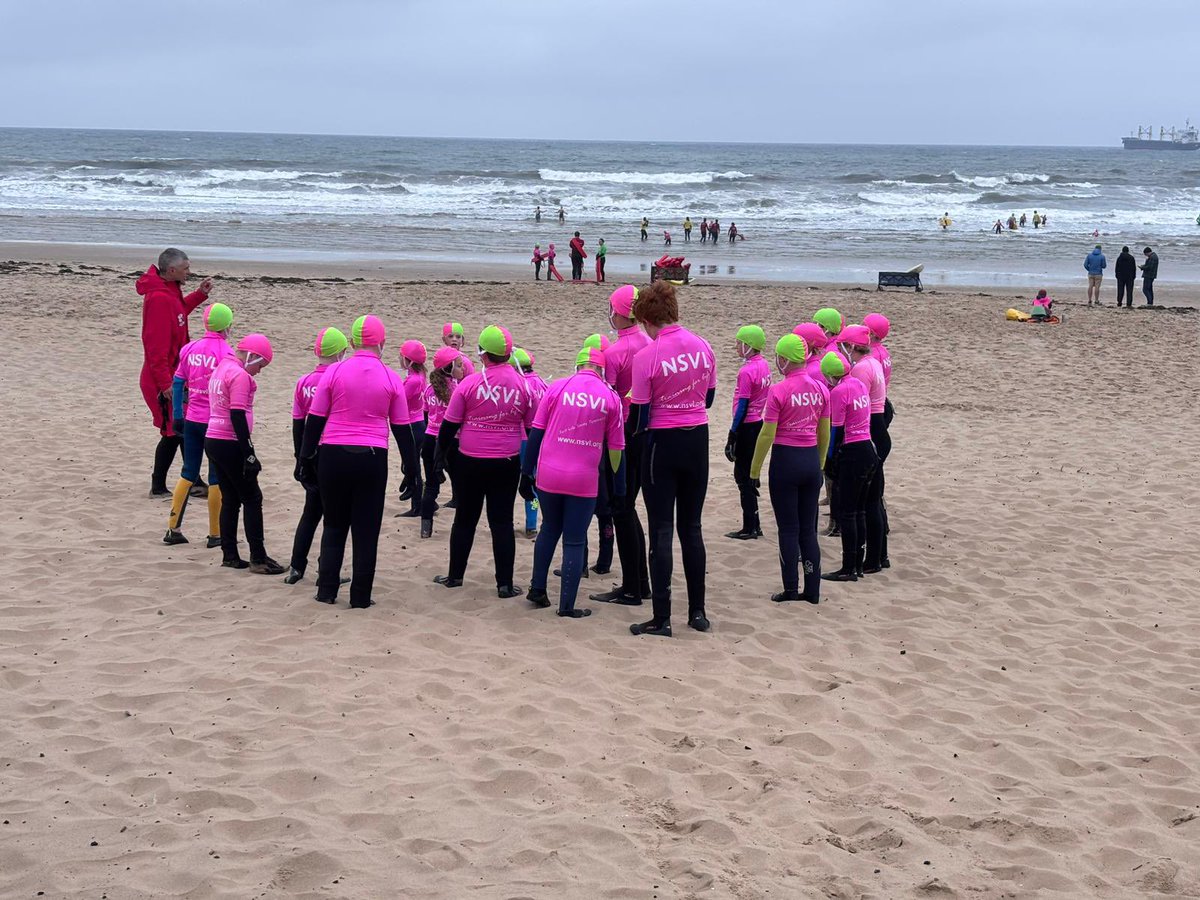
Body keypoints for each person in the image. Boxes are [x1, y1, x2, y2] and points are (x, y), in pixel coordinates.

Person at [296, 315, 418, 608]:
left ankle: (326, 590)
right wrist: (412, 469)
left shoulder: (334, 371)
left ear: (351, 343)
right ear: (383, 343)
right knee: (367, 530)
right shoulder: (390, 377)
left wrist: (304, 458)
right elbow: (402, 429)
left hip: (333, 455)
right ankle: (361, 596)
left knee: (334, 524)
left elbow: (315, 419)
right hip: (372, 458)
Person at [627, 281, 717, 637]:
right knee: (691, 528)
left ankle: (661, 618)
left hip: (661, 444)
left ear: (647, 319)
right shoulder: (703, 346)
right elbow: (708, 398)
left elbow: (640, 417)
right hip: (697, 439)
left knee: (661, 531)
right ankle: (698, 613)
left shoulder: (646, 355)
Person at [432, 325, 535, 598]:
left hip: (470, 461)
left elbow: (449, 425)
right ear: (508, 353)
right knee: (502, 521)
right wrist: (530, 469)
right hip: (507, 461)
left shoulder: (469, 383)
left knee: (465, 518)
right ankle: (504, 584)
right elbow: (532, 428)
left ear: (482, 354)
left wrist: (438, 457)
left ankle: (455, 577)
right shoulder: (523, 384)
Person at [523, 346, 626, 618]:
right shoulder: (611, 397)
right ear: (602, 371)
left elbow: (536, 433)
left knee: (548, 529)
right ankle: (566, 606)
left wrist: (525, 471)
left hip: (549, 473)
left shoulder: (557, 387)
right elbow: (616, 451)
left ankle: (537, 588)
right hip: (583, 478)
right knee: (575, 541)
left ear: (577, 365)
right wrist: (620, 487)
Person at [749, 333, 829, 603]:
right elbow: (824, 432)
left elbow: (767, 434)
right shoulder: (821, 388)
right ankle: (813, 590)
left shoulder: (779, 390)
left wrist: (754, 470)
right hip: (809, 461)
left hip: (785, 461)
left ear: (783, 360)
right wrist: (819, 465)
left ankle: (791, 589)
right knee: (809, 530)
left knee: (788, 529)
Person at [590, 285, 652, 607]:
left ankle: (632, 588)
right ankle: (640, 583)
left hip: (623, 437)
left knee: (621, 509)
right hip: (647, 435)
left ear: (618, 313)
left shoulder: (614, 354)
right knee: (630, 508)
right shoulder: (652, 343)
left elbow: (609, 402)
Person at [205, 333, 284, 575]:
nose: (259, 371)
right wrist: (249, 453)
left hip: (213, 438)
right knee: (252, 498)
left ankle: (229, 554)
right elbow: (237, 415)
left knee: (230, 498)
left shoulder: (222, 368)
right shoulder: (239, 375)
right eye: (260, 365)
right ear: (253, 356)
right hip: (229, 442)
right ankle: (258, 558)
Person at [138, 248, 214, 497]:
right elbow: (154, 348)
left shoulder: (170, 290)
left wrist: (200, 295)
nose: (189, 272)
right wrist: (166, 385)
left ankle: (192, 481)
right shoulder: (158, 298)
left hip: (176, 375)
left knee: (181, 428)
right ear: (172, 270)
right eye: (186, 268)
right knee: (173, 431)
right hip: (162, 378)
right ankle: (158, 486)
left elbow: (179, 313)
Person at [163, 302, 234, 547]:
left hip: (191, 419)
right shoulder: (227, 353)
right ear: (227, 326)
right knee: (216, 476)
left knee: (188, 471)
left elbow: (177, 382)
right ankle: (215, 534)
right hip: (215, 423)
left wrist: (177, 415)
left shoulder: (189, 348)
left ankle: (173, 529)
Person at [284, 326, 349, 584]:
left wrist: (301, 459)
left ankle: (296, 567)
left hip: (309, 453)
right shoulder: (338, 380)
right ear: (342, 352)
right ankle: (326, 569)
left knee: (310, 513)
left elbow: (298, 425)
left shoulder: (303, 382)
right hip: (332, 451)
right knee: (334, 516)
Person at [818, 351, 877, 582]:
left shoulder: (839, 391)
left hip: (852, 451)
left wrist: (829, 459)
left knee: (848, 512)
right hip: (867, 449)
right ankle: (858, 564)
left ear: (831, 375)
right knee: (860, 510)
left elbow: (836, 430)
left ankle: (848, 567)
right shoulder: (858, 384)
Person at [840, 325, 888, 573]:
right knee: (875, 500)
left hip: (871, 427)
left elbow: (856, 404)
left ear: (850, 347)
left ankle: (871, 560)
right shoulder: (874, 361)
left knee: (868, 502)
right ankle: (879, 556)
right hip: (878, 427)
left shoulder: (859, 368)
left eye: (842, 346)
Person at [724, 324, 771, 540]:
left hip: (746, 425)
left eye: (739, 343)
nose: (736, 347)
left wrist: (732, 434)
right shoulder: (764, 365)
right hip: (758, 424)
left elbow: (742, 405)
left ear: (748, 345)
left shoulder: (747, 371)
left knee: (742, 477)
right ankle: (754, 523)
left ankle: (750, 526)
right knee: (750, 475)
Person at [419, 346, 465, 538]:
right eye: (460, 365)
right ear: (450, 367)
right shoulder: (458, 389)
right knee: (461, 485)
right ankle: (461, 527)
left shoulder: (429, 389)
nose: (463, 369)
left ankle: (425, 528)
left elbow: (425, 414)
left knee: (431, 486)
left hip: (429, 440)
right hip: (451, 442)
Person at [513, 347, 547, 538]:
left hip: (521, 439)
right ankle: (532, 524)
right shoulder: (542, 383)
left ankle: (527, 523)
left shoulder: (519, 384)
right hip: (540, 439)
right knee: (533, 482)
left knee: (516, 482)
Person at [395, 340, 428, 517]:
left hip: (412, 426)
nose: (399, 359)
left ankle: (417, 503)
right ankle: (415, 492)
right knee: (411, 465)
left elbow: (399, 400)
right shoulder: (419, 375)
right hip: (417, 424)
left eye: (401, 356)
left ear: (408, 360)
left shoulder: (413, 381)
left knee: (412, 466)